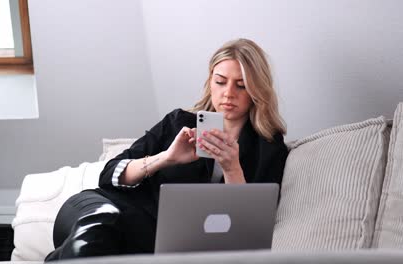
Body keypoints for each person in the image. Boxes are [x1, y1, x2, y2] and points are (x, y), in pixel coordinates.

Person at [45, 38, 288, 261]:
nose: (228, 93)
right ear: (210, 82)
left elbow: (251, 225)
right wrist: (166, 158)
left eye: (241, 86)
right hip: (97, 207)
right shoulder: (178, 123)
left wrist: (232, 168)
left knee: (102, 248)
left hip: (147, 238)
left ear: (256, 91)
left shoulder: (268, 146)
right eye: (221, 82)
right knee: (100, 223)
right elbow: (109, 174)